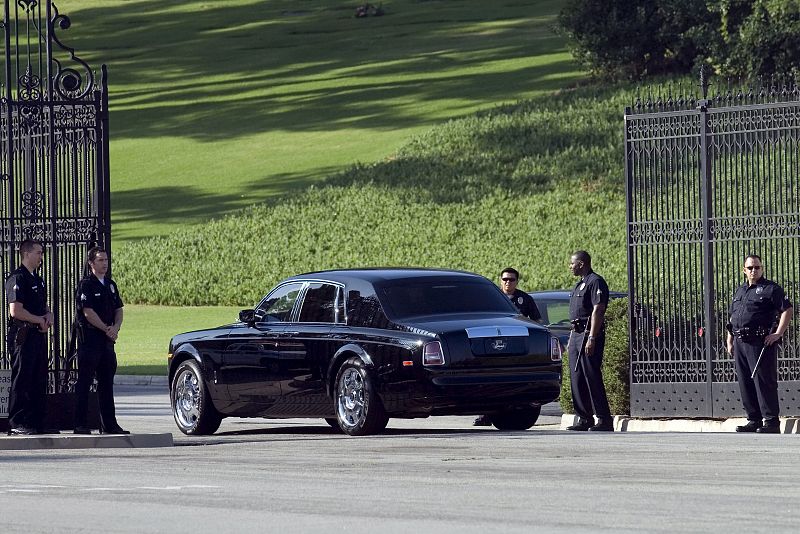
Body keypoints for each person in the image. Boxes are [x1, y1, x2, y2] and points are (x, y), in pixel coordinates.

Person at [727, 254, 793, 433]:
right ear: (744, 270)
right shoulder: (740, 291)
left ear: (762, 269)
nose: (753, 271)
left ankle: (771, 422)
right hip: (741, 341)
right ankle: (754, 419)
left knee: (763, 381)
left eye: (757, 267)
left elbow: (787, 309)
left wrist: (778, 333)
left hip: (760, 342)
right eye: (750, 268)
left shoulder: (770, 289)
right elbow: (733, 316)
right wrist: (730, 339)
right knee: (745, 381)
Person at [473, 267, 542, 426]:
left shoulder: (524, 299)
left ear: (517, 281)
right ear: (500, 280)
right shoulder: (491, 298)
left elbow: (536, 322)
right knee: (489, 380)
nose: (508, 282)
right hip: (491, 346)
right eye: (505, 279)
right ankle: (485, 415)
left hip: (515, 347)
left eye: (511, 279)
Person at [73, 246, 128, 435]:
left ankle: (109, 424)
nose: (104, 264)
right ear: (91, 263)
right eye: (100, 260)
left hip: (107, 341)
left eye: (106, 260)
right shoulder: (86, 284)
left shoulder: (110, 284)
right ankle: (80, 424)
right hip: (90, 340)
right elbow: (88, 312)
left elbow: (119, 309)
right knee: (85, 382)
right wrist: (106, 328)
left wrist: (115, 328)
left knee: (106, 382)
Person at [5, 239, 55, 435]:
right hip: (23, 335)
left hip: (38, 335)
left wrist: (48, 317)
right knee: (22, 377)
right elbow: (15, 311)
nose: (41, 256)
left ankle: (37, 421)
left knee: (39, 377)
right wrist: (38, 320)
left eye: (42, 253)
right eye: (38, 252)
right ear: (26, 254)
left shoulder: (38, 279)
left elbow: (44, 306)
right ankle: (17, 421)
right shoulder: (17, 278)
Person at [566, 251, 613, 432]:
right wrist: (572, 339)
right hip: (576, 334)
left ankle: (603, 419)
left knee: (591, 376)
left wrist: (592, 337)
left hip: (588, 334)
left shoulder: (595, 282)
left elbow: (598, 310)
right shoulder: (580, 284)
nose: (570, 267)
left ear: (582, 263)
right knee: (577, 377)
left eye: (572, 264)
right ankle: (584, 418)